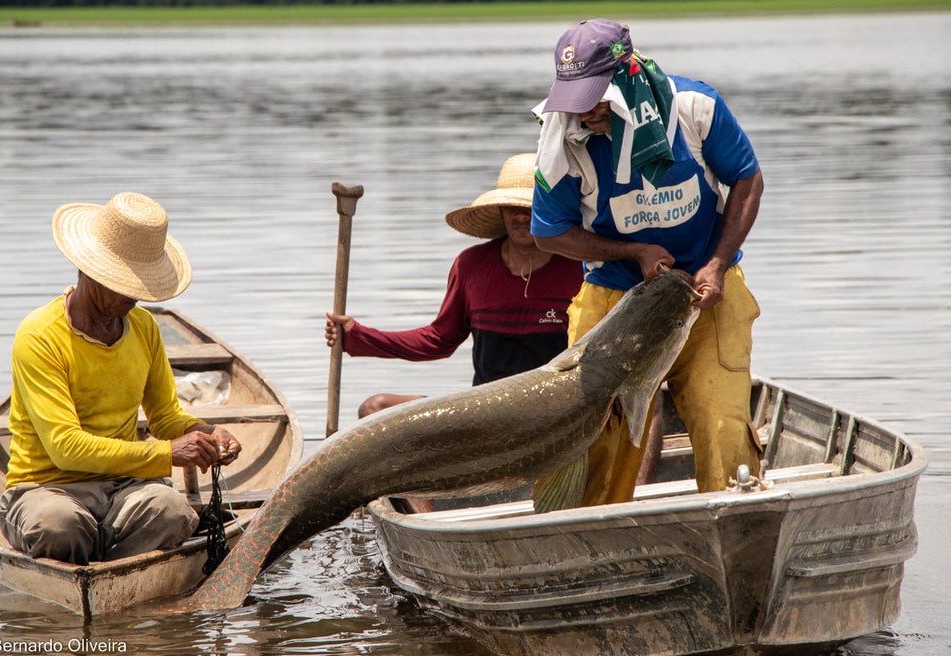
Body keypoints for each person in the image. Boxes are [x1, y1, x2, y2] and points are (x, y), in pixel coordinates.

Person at [531, 19, 765, 506]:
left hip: (706, 294)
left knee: (722, 428)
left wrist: (719, 264)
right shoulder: (563, 136)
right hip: (614, 301)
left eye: (595, 96)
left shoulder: (693, 107)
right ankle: (590, 540)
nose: (585, 111)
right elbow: (549, 231)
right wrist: (631, 251)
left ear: (626, 78)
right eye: (574, 96)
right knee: (598, 441)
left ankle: (734, 526)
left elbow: (747, 179)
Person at [0, 191, 242, 565]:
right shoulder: (40, 335)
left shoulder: (143, 327)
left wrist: (206, 432)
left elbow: (165, 418)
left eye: (139, 286)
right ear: (89, 270)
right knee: (60, 526)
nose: (134, 297)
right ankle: (99, 558)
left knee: (173, 511)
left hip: (123, 488)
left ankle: (106, 568)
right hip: (47, 488)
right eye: (125, 284)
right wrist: (169, 453)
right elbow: (66, 447)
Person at [325, 153, 584, 419]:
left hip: (552, 410)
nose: (520, 217)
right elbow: (438, 340)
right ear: (499, 211)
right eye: (511, 207)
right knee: (374, 409)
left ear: (547, 209)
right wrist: (357, 336)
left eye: (529, 207)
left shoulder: (579, 269)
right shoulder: (471, 265)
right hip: (483, 408)